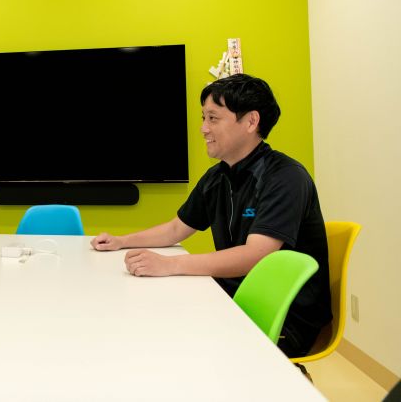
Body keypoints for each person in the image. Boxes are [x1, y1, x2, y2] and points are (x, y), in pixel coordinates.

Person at [91, 74, 332, 358]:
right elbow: (175, 229)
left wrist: (170, 264)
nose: (203, 128)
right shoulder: (217, 177)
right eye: (203, 118)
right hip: (234, 296)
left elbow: (256, 255)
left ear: (251, 121)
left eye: (213, 118)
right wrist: (121, 241)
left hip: (283, 316)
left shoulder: (286, 177)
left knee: (172, 337)